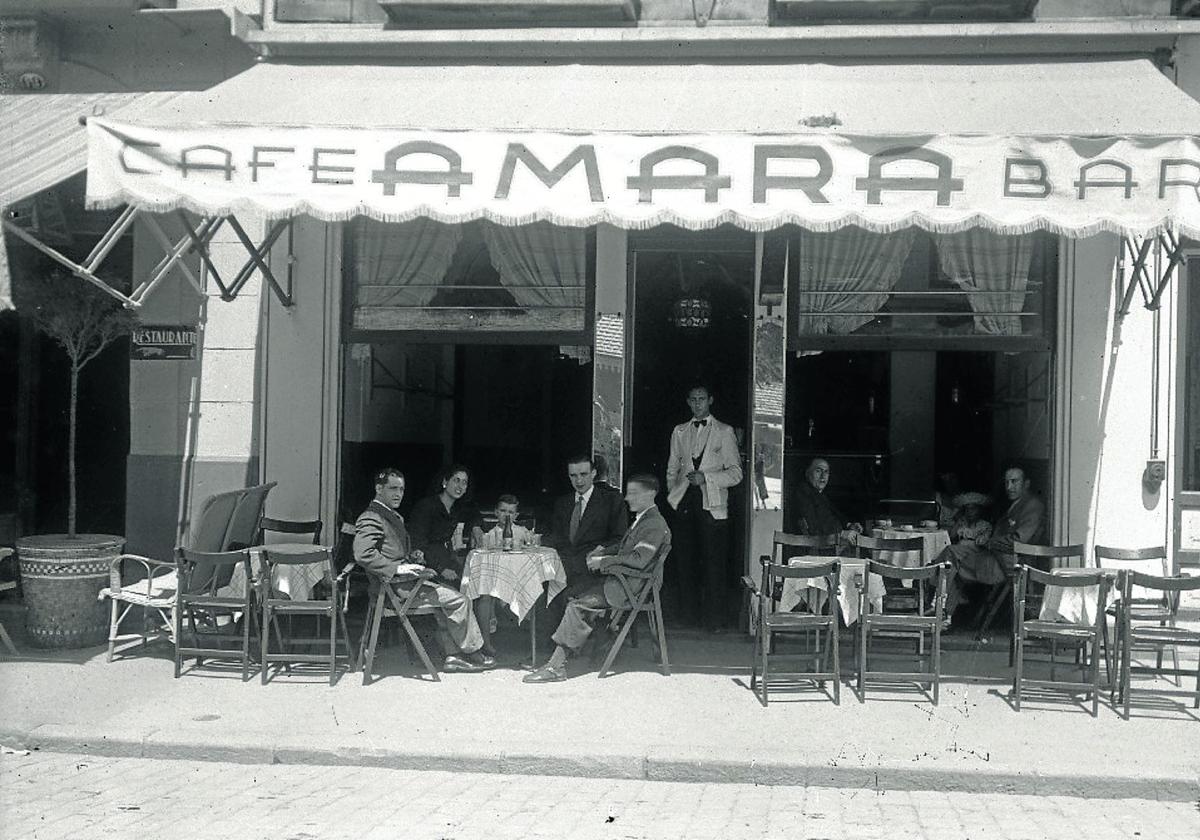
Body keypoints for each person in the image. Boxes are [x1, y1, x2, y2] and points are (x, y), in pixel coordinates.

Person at [523, 474, 671, 683]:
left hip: (630, 587)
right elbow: (624, 548)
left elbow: (638, 559)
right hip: (624, 581)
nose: (627, 498)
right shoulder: (645, 519)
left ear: (651, 494)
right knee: (570, 592)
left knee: (578, 605)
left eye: (634, 493)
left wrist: (603, 562)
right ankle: (600, 645)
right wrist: (604, 550)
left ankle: (556, 667)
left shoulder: (653, 524)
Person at [352, 467, 493, 673]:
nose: (398, 494)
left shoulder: (391, 516)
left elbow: (392, 551)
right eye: (392, 488)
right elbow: (363, 554)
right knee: (459, 600)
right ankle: (472, 651)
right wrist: (397, 568)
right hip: (394, 589)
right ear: (378, 488)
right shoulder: (372, 517)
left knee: (447, 596)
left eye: (401, 489)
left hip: (402, 585)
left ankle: (452, 655)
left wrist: (412, 558)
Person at [665, 384, 743, 633]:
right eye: (693, 399)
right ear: (688, 402)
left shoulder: (724, 431)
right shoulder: (680, 431)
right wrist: (673, 493)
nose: (698, 403)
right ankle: (687, 617)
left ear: (711, 400)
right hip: (685, 502)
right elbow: (672, 466)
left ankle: (714, 621)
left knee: (714, 562)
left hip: (713, 504)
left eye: (702, 399)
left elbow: (736, 473)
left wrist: (707, 479)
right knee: (685, 560)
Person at [938, 465, 1046, 625]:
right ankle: (943, 611)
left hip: (1005, 564)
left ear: (1026, 484)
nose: (1009, 487)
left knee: (950, 559)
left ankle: (940, 609)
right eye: (1007, 482)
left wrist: (989, 542)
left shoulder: (1032, 505)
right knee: (950, 554)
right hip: (994, 556)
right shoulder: (1017, 503)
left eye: (1014, 482)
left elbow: (1018, 540)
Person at [408, 464, 482, 585]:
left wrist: (476, 527)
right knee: (464, 587)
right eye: (456, 480)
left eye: (464, 482)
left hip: (446, 557)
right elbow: (418, 543)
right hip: (427, 564)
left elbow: (474, 514)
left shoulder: (457, 507)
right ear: (445, 482)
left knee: (476, 581)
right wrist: (441, 569)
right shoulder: (426, 506)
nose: (460, 486)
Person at [791, 457, 862, 541]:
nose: (823, 476)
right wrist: (842, 533)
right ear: (808, 473)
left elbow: (834, 514)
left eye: (826, 472)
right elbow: (813, 526)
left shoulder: (819, 494)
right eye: (818, 471)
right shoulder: (803, 492)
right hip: (819, 547)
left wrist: (849, 525)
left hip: (832, 543)